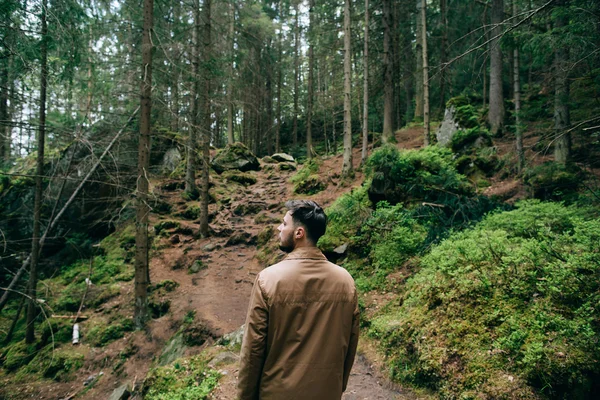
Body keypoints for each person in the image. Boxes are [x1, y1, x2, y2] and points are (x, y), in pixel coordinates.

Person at [237, 200, 359, 400]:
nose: (279, 228)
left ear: (299, 233)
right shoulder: (345, 281)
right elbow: (350, 345)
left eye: (284, 224)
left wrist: (245, 397)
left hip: (277, 393)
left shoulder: (269, 279)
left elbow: (253, 351)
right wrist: (338, 386)